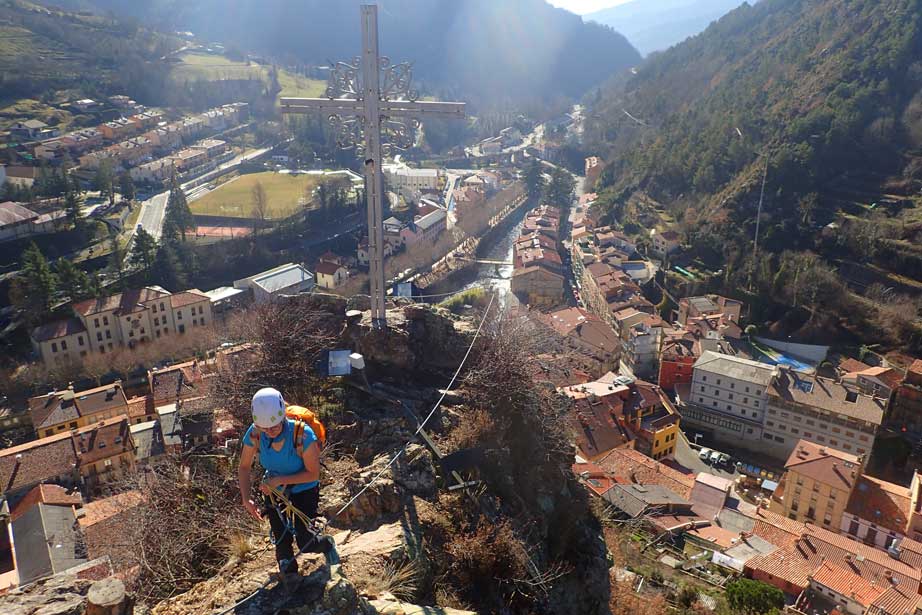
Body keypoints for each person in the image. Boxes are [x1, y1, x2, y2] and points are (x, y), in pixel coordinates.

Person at [238, 387, 337, 574]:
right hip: (275, 491)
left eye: (274, 426)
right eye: (265, 428)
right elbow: (244, 467)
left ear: (283, 415)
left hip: (304, 489)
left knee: (306, 543)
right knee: (281, 539)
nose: (270, 432)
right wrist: (246, 498)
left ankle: (326, 544)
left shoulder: (303, 435)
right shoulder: (256, 433)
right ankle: (288, 573)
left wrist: (280, 480)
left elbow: (313, 474)